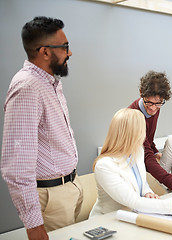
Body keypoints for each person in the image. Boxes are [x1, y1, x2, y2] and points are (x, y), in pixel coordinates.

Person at [1, 16, 83, 240]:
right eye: (65, 47)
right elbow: (17, 165)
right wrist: (34, 224)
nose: (70, 53)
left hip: (68, 188)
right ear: (45, 51)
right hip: (50, 198)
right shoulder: (28, 87)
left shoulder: (51, 83)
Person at [89, 108, 172, 217]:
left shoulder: (138, 151)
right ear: (132, 133)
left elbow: (141, 182)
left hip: (134, 215)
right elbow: (133, 201)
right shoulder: (104, 166)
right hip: (108, 219)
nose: (144, 134)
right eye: (142, 129)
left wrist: (147, 192)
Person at [129, 71, 172, 197]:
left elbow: (148, 139)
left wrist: (155, 152)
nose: (153, 109)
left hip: (141, 162)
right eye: (149, 103)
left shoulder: (153, 108)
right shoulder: (134, 116)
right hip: (129, 169)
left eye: (158, 104)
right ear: (141, 92)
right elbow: (146, 156)